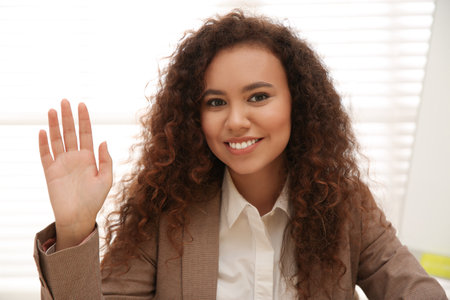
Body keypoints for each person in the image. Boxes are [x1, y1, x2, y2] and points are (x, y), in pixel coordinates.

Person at [34, 10, 447, 300]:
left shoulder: (346, 204)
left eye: (258, 96)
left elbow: (415, 290)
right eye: (215, 103)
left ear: (296, 102)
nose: (235, 121)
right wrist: (73, 231)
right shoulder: (164, 211)